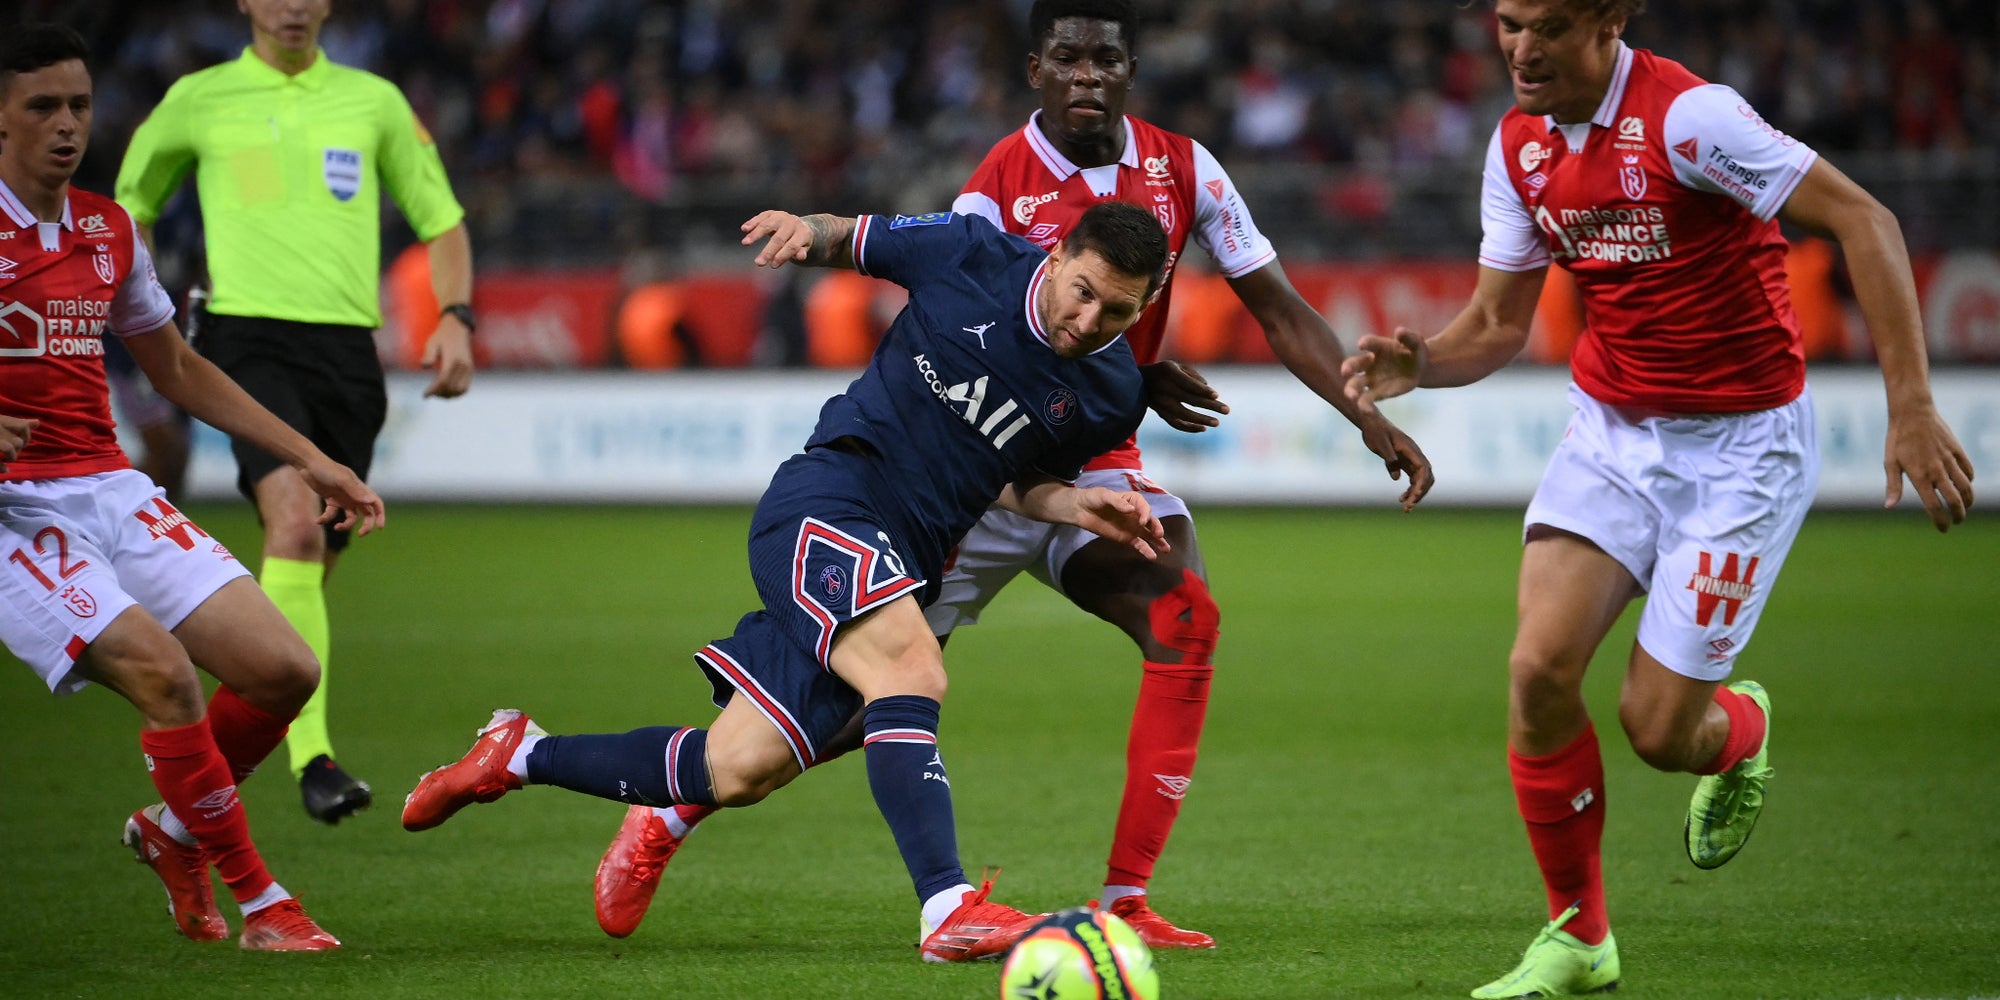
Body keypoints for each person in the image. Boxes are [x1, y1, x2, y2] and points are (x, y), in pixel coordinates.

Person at [588, 0, 1437, 951]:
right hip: (976, 477)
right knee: (876, 689)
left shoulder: (1187, 168)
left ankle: (1124, 901)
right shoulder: (998, 181)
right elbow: (968, 328)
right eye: (1067, 58)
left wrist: (1363, 412)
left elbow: (1276, 308)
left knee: (1184, 619)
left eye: (1103, 59)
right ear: (1036, 69)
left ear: (1128, 67)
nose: (1086, 76)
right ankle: (672, 806)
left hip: (1093, 464)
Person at [1337, 1, 1976, 995]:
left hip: (1738, 453)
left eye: (1546, 24)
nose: (1520, 47)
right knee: (1536, 669)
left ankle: (1740, 732)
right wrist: (1418, 361)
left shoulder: (1690, 121)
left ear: (1606, 18)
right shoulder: (1517, 146)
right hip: (1610, 433)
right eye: (1506, 22)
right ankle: (1579, 938)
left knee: (1655, 731)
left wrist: (1911, 405)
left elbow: (1863, 218)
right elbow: (1497, 324)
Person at [401, 201, 1174, 962]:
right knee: (911, 668)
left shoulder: (1105, 391)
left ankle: (517, 754)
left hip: (905, 557)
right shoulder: (970, 253)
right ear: (1056, 258)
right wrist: (808, 233)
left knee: (733, 769)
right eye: (1084, 291)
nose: (1090, 320)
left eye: (1117, 310)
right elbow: (856, 239)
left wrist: (1074, 502)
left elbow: (1012, 477)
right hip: (831, 500)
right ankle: (947, 909)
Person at [0, 23, 387, 951]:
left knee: (285, 668)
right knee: (165, 677)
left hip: (108, 487)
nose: (67, 125)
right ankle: (263, 905)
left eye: (80, 106)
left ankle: (172, 833)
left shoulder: (107, 228)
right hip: (16, 512)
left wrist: (309, 458)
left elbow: (175, 365)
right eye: (41, 106)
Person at [115, 0, 476, 824]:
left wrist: (456, 316)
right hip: (242, 338)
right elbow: (126, 210)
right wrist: (125, 306)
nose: (290, 6)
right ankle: (313, 760)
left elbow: (442, 220)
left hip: (349, 356)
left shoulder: (373, 101)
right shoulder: (198, 100)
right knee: (297, 528)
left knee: (308, 570)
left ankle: (186, 803)